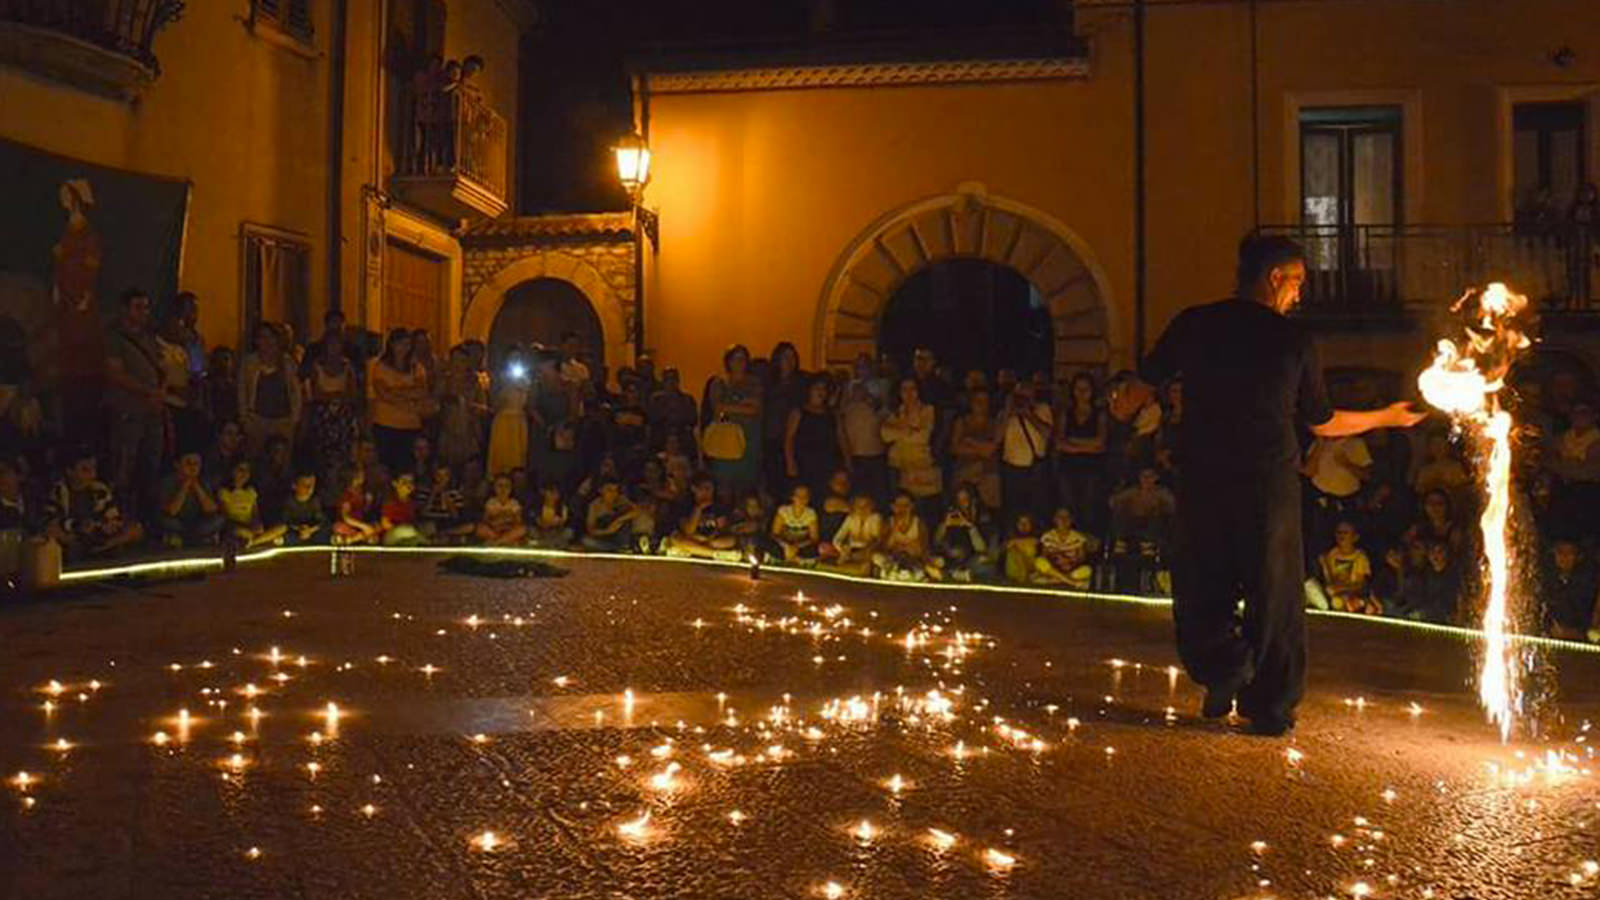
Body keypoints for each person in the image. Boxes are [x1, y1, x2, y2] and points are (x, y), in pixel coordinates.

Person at [1114, 234, 1426, 735]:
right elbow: (1321, 423)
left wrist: (1123, 403)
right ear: (1274, 278)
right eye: (1297, 281)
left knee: (1201, 584)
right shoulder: (1293, 340)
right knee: (1275, 593)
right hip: (1266, 484)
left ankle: (1223, 666)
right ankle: (1270, 706)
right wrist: (1386, 416)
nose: (1299, 294)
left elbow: (1138, 389)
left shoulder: (1194, 323)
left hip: (1204, 478)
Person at [103, 288, 166, 518]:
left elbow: (160, 367)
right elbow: (115, 374)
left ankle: (146, 520)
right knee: (123, 468)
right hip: (127, 413)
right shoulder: (114, 338)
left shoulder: (148, 338)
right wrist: (147, 391)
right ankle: (118, 518)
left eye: (146, 307)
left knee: (150, 467)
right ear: (124, 309)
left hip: (153, 412)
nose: (144, 313)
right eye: (138, 307)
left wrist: (160, 392)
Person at [46, 450, 145, 558]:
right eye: (85, 470)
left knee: (135, 529)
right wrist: (78, 526)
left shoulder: (99, 489)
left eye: (93, 469)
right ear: (70, 471)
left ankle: (99, 549)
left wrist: (106, 526)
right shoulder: (59, 491)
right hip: (73, 535)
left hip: (97, 533)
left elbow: (113, 516)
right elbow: (51, 520)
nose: (92, 474)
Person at [704, 346, 764, 502]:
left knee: (745, 486)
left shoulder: (754, 383)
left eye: (743, 359)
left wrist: (731, 407)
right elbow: (718, 409)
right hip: (725, 439)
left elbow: (755, 409)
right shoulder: (719, 383)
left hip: (748, 438)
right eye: (736, 359)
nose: (740, 363)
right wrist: (742, 405)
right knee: (725, 485)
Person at [369, 328, 430, 474]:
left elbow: (421, 391)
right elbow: (383, 393)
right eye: (399, 344)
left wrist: (395, 392)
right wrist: (408, 397)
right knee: (386, 469)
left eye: (407, 344)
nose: (403, 348)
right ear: (391, 345)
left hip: (410, 426)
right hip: (386, 425)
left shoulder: (417, 369)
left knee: (407, 471)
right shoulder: (380, 367)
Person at [1055, 373, 1108, 533]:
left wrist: (1072, 444)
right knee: (1068, 505)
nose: (1082, 393)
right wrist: (1087, 446)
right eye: (1079, 389)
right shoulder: (1066, 413)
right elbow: (1059, 442)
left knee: (1089, 506)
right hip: (1068, 467)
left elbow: (1101, 442)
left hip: (1091, 468)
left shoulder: (1100, 414)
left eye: (1086, 389)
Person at [238, 323, 302, 457]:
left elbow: (296, 392)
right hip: (257, 421)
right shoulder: (249, 364)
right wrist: (245, 418)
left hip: (282, 421)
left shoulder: (288, 363)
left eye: (270, 337)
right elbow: (243, 392)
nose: (267, 342)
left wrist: (294, 418)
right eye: (263, 337)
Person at [305, 332, 361, 481]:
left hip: (342, 416)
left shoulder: (348, 366)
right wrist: (334, 395)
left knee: (343, 451)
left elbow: (353, 393)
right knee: (321, 452)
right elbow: (314, 392)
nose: (334, 348)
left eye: (337, 344)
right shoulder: (317, 366)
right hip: (322, 415)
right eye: (331, 344)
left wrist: (335, 397)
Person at [998, 380, 1052, 532]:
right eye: (1019, 396)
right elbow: (997, 438)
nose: (1022, 400)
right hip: (1012, 469)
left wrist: (1028, 414)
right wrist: (1009, 411)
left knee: (1037, 511)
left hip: (1035, 469)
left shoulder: (1042, 410)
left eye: (1026, 396)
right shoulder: (1006, 414)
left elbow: (1047, 433)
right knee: (1013, 512)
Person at [881, 378, 941, 513]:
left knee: (921, 509)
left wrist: (897, 431)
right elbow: (885, 435)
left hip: (920, 465)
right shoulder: (896, 412)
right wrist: (909, 431)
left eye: (912, 389)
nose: (908, 393)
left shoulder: (927, 410)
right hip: (897, 466)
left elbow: (922, 437)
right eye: (904, 389)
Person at [785, 375, 843, 499]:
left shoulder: (832, 414)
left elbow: (841, 438)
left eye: (823, 389)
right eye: (817, 388)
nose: (820, 392)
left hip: (827, 462)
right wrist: (790, 462)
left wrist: (846, 461)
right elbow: (789, 438)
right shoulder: (799, 412)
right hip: (805, 462)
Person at [837, 373, 888, 507]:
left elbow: (884, 414)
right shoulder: (846, 401)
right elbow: (839, 420)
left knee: (879, 499)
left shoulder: (880, 391)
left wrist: (869, 398)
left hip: (876, 456)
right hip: (854, 457)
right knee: (856, 498)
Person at [157, 452, 226, 548]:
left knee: (219, 520)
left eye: (196, 464)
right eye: (188, 463)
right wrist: (185, 487)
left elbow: (211, 509)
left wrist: (196, 487)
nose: (193, 467)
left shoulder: (204, 481)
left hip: (198, 522)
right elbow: (172, 511)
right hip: (177, 522)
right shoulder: (167, 482)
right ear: (177, 464)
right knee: (166, 522)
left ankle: (197, 538)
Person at [663, 474, 739, 560]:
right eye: (704, 488)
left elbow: (722, 530)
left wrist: (707, 538)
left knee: (730, 540)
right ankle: (715, 553)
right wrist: (698, 509)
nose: (708, 492)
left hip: (710, 540)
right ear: (694, 489)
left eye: (710, 489)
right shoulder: (685, 505)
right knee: (676, 539)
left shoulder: (718, 505)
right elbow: (688, 531)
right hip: (693, 538)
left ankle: (694, 550)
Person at [949, 389, 1001, 511]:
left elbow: (992, 449)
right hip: (965, 472)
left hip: (989, 476)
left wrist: (970, 442)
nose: (981, 405)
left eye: (985, 401)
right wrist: (982, 449)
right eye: (978, 401)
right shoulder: (962, 422)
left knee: (989, 512)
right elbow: (955, 448)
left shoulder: (994, 423)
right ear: (971, 403)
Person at [218, 460, 287, 550]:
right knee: (240, 532)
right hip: (235, 527)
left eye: (247, 471)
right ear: (233, 471)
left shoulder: (251, 491)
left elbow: (255, 513)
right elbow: (225, 515)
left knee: (282, 527)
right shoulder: (224, 492)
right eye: (241, 470)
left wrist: (257, 524)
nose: (245, 474)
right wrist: (244, 526)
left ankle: (253, 542)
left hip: (250, 527)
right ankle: (264, 539)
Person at [874, 491, 941, 581]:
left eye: (906, 505)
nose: (902, 509)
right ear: (893, 507)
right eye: (899, 505)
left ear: (912, 506)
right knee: (877, 558)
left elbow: (924, 547)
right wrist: (894, 531)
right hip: (894, 559)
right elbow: (882, 547)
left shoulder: (919, 523)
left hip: (915, 559)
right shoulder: (889, 523)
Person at [487, 346, 532, 477]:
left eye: (517, 359)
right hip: (504, 421)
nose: (514, 362)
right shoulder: (500, 379)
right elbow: (494, 405)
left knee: (519, 459)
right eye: (512, 359)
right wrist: (504, 387)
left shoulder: (526, 380)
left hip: (519, 421)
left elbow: (528, 404)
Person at [1541, 539, 1599, 641]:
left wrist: (1579, 634)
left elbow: (1594, 629)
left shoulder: (1589, 586)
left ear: (1579, 557)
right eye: (1560, 552)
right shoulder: (1546, 583)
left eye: (1570, 552)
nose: (1564, 557)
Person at [1316, 520, 1377, 614]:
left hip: (1354, 595)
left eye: (1345, 533)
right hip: (1336, 596)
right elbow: (1329, 580)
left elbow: (1361, 584)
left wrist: (1340, 588)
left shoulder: (1360, 557)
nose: (1341, 536)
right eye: (1339, 532)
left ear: (1355, 537)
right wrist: (1324, 566)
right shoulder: (1332, 554)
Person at [934, 484, 992, 582]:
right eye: (959, 500)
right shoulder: (952, 514)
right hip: (952, 559)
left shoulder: (983, 517)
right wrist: (944, 525)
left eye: (966, 499)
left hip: (974, 559)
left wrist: (970, 527)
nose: (963, 503)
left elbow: (982, 548)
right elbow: (936, 542)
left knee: (983, 564)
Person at [822, 493, 882, 576]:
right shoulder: (850, 518)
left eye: (866, 506)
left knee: (877, 559)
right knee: (824, 548)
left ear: (872, 507)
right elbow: (837, 538)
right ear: (854, 507)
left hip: (867, 552)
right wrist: (843, 548)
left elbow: (876, 539)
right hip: (849, 551)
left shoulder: (875, 518)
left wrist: (865, 550)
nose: (862, 509)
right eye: (859, 506)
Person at [1036, 506, 1096, 588]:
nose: (1063, 520)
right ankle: (1072, 582)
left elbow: (1081, 559)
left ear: (1071, 520)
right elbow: (1044, 557)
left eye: (1067, 517)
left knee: (1087, 570)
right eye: (1060, 517)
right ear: (1055, 519)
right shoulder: (1047, 536)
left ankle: (1056, 580)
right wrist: (1057, 561)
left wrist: (1068, 562)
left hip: (1071, 570)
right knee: (1039, 562)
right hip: (1054, 569)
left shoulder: (1079, 538)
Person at [646, 367, 698, 454]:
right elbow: (652, 419)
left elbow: (692, 420)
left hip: (682, 439)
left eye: (673, 378)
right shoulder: (656, 400)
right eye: (667, 379)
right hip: (661, 439)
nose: (671, 382)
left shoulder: (687, 399)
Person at [770, 483, 821, 564]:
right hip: (784, 545)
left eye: (805, 496)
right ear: (792, 497)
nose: (801, 499)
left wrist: (797, 547)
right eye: (798, 496)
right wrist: (786, 546)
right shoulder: (783, 511)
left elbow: (814, 538)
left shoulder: (811, 513)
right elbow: (774, 534)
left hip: (801, 546)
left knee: (814, 551)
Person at [582, 480, 639, 552]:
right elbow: (590, 530)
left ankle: (623, 547)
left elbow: (637, 511)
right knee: (586, 541)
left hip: (620, 537)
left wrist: (619, 520)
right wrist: (608, 531)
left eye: (615, 490)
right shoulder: (595, 506)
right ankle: (615, 549)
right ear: (601, 490)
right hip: (604, 537)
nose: (613, 494)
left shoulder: (621, 500)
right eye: (609, 490)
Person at [476, 474, 528, 546]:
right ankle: (504, 541)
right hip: (494, 530)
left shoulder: (514, 503)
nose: (503, 489)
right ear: (494, 487)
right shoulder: (490, 502)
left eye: (506, 486)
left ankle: (498, 542)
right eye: (500, 486)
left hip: (509, 530)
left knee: (522, 529)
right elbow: (485, 520)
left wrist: (508, 521)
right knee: (480, 528)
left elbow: (518, 521)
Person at [332, 466, 379, 545]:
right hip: (348, 525)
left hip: (360, 525)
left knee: (375, 532)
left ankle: (355, 538)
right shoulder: (346, 495)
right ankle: (351, 540)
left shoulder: (363, 493)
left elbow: (364, 512)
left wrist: (368, 503)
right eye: (360, 475)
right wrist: (364, 526)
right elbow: (346, 517)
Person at [280, 472, 330, 545]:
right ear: (294, 486)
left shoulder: (315, 501)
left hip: (312, 532)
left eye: (312, 485)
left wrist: (310, 530)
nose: (309, 489)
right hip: (295, 532)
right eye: (305, 485)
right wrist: (299, 529)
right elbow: (286, 521)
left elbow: (321, 521)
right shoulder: (289, 501)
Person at [379, 473, 425, 546]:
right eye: (404, 482)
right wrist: (402, 529)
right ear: (395, 484)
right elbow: (385, 524)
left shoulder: (413, 503)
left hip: (410, 535)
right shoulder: (390, 501)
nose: (408, 485)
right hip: (393, 535)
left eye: (411, 482)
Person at [530, 481, 574, 548]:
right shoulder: (538, 507)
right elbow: (539, 522)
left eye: (556, 493)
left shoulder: (562, 508)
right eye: (551, 493)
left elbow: (563, 521)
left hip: (557, 533)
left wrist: (557, 523)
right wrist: (549, 523)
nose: (553, 496)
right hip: (542, 533)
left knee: (568, 533)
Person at [1002, 512, 1042, 584]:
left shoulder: (1037, 540)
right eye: (1021, 523)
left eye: (1026, 523)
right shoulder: (1010, 540)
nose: (1023, 526)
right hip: (1015, 574)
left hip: (1033, 572)